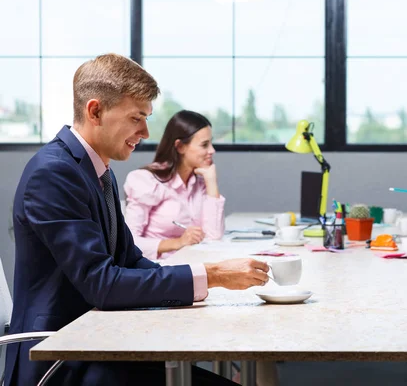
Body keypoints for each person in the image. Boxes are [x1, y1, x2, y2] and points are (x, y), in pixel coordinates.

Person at [6, 53, 269, 386]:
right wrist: (212, 275)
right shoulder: (54, 174)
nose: (145, 131)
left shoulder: (99, 171)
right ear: (95, 110)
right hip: (63, 358)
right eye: (136, 118)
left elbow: (130, 260)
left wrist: (205, 284)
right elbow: (101, 283)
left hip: (101, 343)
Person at [124, 110, 224, 260]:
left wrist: (211, 182)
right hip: (156, 269)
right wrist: (178, 242)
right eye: (205, 145)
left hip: (190, 264)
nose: (212, 150)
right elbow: (129, 244)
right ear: (180, 147)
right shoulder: (146, 181)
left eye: (211, 143)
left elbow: (214, 236)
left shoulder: (200, 182)